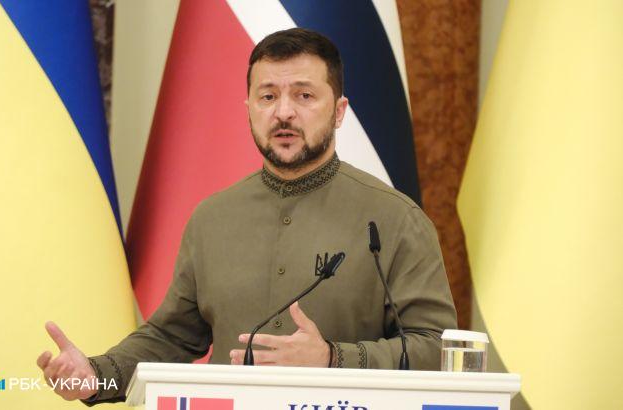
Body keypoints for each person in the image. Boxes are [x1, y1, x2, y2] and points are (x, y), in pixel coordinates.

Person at [36, 28, 457, 404]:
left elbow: (438, 348)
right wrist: (98, 375)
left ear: (339, 110)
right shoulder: (212, 218)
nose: (284, 112)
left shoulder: (395, 218)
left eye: (304, 96)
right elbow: (171, 337)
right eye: (268, 96)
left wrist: (333, 358)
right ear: (249, 107)